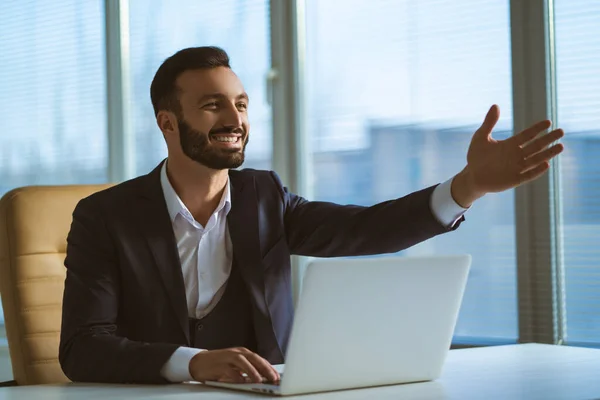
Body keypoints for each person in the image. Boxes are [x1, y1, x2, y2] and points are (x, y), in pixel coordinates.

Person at [58, 46, 564, 385]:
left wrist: (469, 185)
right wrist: (194, 364)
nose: (235, 120)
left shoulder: (263, 196)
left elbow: (367, 229)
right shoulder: (105, 217)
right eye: (213, 106)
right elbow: (83, 348)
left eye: (240, 104)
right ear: (168, 123)